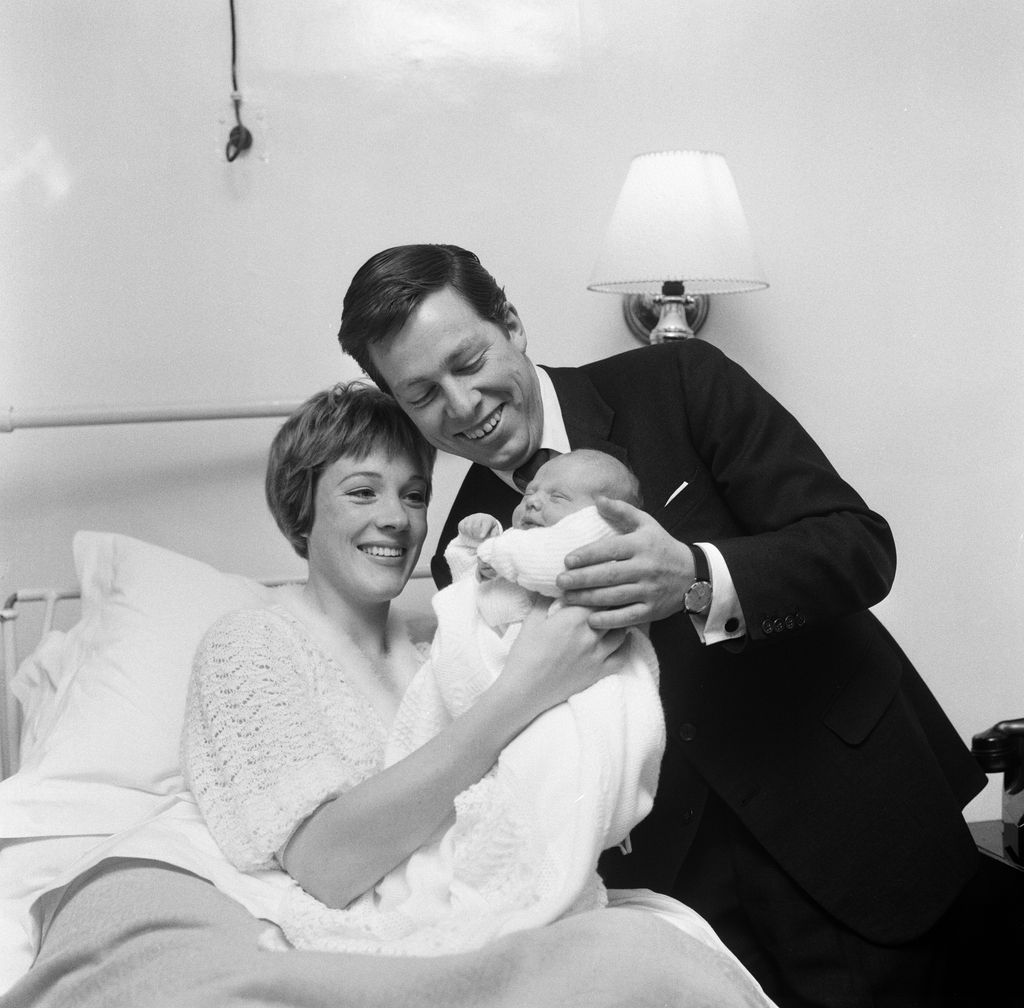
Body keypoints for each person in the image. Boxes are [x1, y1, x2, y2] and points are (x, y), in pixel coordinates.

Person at [336, 243, 988, 1008]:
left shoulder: (675, 381)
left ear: (510, 323)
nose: (463, 403)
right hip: (684, 895)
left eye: (469, 359)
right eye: (422, 394)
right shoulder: (474, 552)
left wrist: (698, 575)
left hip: (851, 812)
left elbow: (857, 547)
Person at [179, 382, 776, 1003]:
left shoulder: (450, 644)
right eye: (362, 491)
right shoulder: (251, 643)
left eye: (415, 495)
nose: (397, 517)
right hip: (393, 941)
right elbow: (326, 866)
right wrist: (524, 688)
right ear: (299, 507)